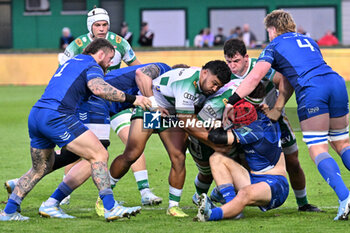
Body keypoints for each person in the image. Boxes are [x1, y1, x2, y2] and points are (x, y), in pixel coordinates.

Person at [0, 38, 151, 221]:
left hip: (37, 114)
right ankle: (110, 207)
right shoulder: (92, 64)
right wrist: (134, 99)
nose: (110, 63)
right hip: (57, 116)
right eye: (110, 58)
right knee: (99, 154)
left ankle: (9, 211)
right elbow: (99, 88)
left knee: (40, 168)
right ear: (100, 53)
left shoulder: (72, 61)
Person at [223, 9, 350, 220]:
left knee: (318, 147)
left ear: (272, 29)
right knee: (343, 143)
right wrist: (278, 108)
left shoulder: (274, 45)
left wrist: (232, 102)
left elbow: (255, 77)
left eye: (268, 31)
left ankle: (345, 198)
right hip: (336, 82)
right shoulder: (308, 40)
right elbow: (288, 77)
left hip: (313, 90)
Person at [49, 6, 162, 208]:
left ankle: (145, 192)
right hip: (88, 104)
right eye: (98, 25)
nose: (102, 28)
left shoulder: (119, 43)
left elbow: (137, 66)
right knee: (77, 150)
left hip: (116, 100)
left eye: (105, 24)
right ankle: (64, 193)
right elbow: (63, 73)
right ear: (90, 27)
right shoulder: (77, 44)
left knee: (133, 143)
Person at [35, 63, 171, 218]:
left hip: (107, 104)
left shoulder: (165, 88)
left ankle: (26, 186)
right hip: (97, 100)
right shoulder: (164, 69)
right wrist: (154, 105)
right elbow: (141, 73)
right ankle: (100, 205)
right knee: (95, 154)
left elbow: (149, 119)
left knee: (80, 154)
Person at [109, 60, 231, 217]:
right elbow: (187, 123)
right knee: (133, 153)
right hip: (151, 109)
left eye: (218, 86)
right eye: (214, 83)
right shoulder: (187, 83)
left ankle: (173, 206)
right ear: (205, 72)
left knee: (178, 157)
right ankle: (104, 196)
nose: (215, 89)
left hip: (170, 113)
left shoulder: (205, 83)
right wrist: (215, 143)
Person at [221, 38, 320, 212]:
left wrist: (277, 108)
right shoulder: (226, 74)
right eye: (228, 62)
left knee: (292, 161)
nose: (232, 66)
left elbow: (285, 80)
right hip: (244, 126)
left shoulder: (259, 66)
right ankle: (233, 198)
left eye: (236, 61)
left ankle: (303, 203)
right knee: (239, 162)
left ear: (246, 57)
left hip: (274, 121)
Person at [195, 99, 289, 221]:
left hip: (276, 184)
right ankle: (232, 207)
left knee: (244, 193)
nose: (236, 127)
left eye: (239, 125)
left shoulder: (256, 130)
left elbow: (216, 137)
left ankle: (211, 214)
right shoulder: (259, 116)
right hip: (253, 178)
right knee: (216, 158)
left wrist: (216, 123)